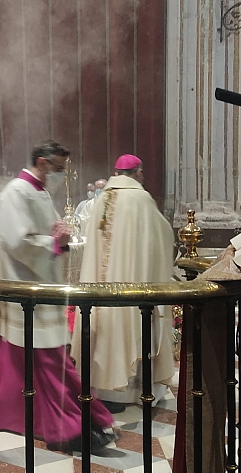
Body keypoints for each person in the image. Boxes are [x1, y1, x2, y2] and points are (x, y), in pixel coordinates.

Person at [0, 140, 114, 451]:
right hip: (26, 290)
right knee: (49, 362)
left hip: (41, 288)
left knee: (20, 359)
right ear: (41, 161)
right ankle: (72, 425)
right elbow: (18, 241)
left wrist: (60, 238)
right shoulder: (16, 192)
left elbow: (50, 234)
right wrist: (53, 242)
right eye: (59, 168)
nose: (61, 175)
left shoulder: (39, 191)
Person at [71, 154, 175, 413]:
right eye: (142, 173)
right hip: (132, 283)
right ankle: (132, 391)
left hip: (100, 288)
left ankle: (103, 388)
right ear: (137, 172)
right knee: (133, 327)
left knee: (104, 329)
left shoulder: (100, 199)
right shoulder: (140, 198)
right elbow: (159, 235)